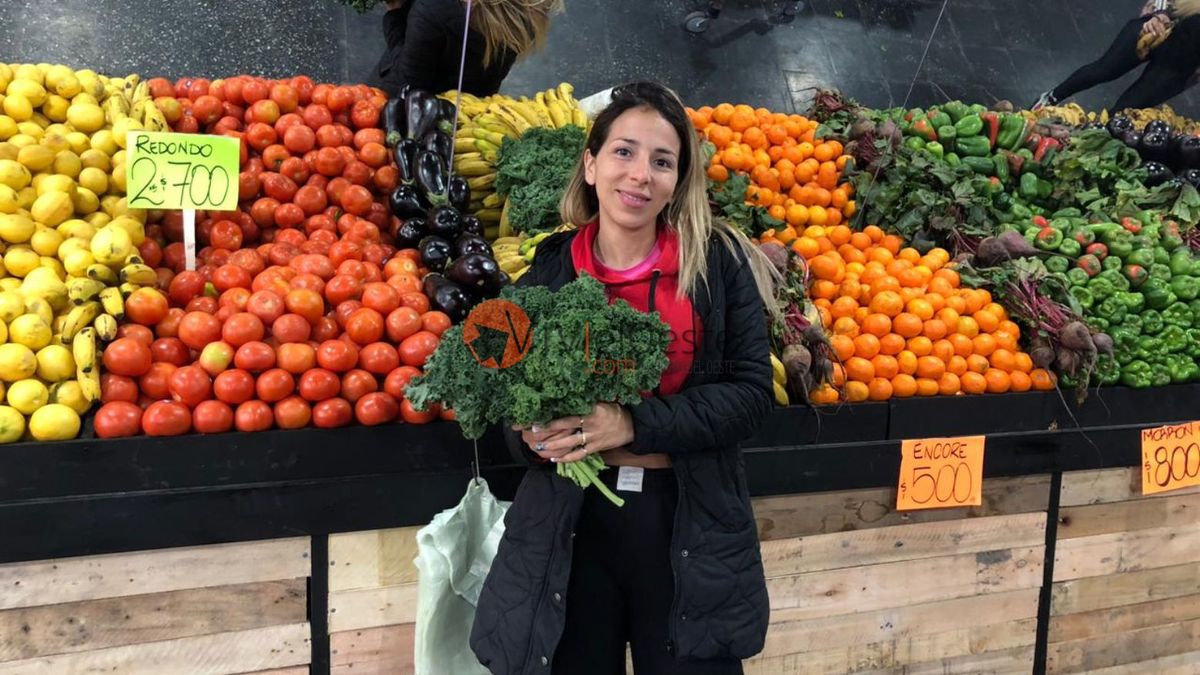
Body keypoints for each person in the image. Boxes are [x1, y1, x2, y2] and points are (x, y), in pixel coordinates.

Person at [468, 81, 782, 674]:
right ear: (590, 164)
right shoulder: (549, 269)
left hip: (687, 522)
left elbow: (749, 396)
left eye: (662, 161)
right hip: (571, 521)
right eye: (623, 152)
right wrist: (531, 439)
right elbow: (506, 397)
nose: (640, 174)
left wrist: (630, 424)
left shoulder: (716, 262)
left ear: (677, 180)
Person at [1032, 0, 1200, 112]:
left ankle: (1093, 142)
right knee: (1104, 69)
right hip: (1158, 24)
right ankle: (1050, 98)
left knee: (1128, 108)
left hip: (1185, 58)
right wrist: (1160, 12)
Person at [369, 0, 561, 97]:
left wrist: (394, 12)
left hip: (413, 123)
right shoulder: (528, 12)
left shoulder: (434, 8)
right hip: (468, 119)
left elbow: (407, 86)